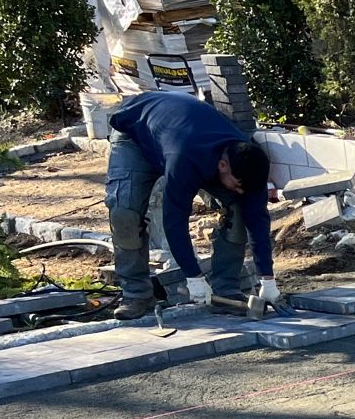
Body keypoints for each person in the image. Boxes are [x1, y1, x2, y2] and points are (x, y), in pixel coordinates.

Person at [104, 90, 279, 320]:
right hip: (136, 134)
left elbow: (257, 219)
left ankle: (226, 291)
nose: (239, 191)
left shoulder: (248, 162)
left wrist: (267, 278)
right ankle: (136, 294)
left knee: (237, 208)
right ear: (223, 166)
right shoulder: (184, 160)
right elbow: (174, 220)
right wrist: (193, 276)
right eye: (237, 185)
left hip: (179, 134)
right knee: (124, 214)